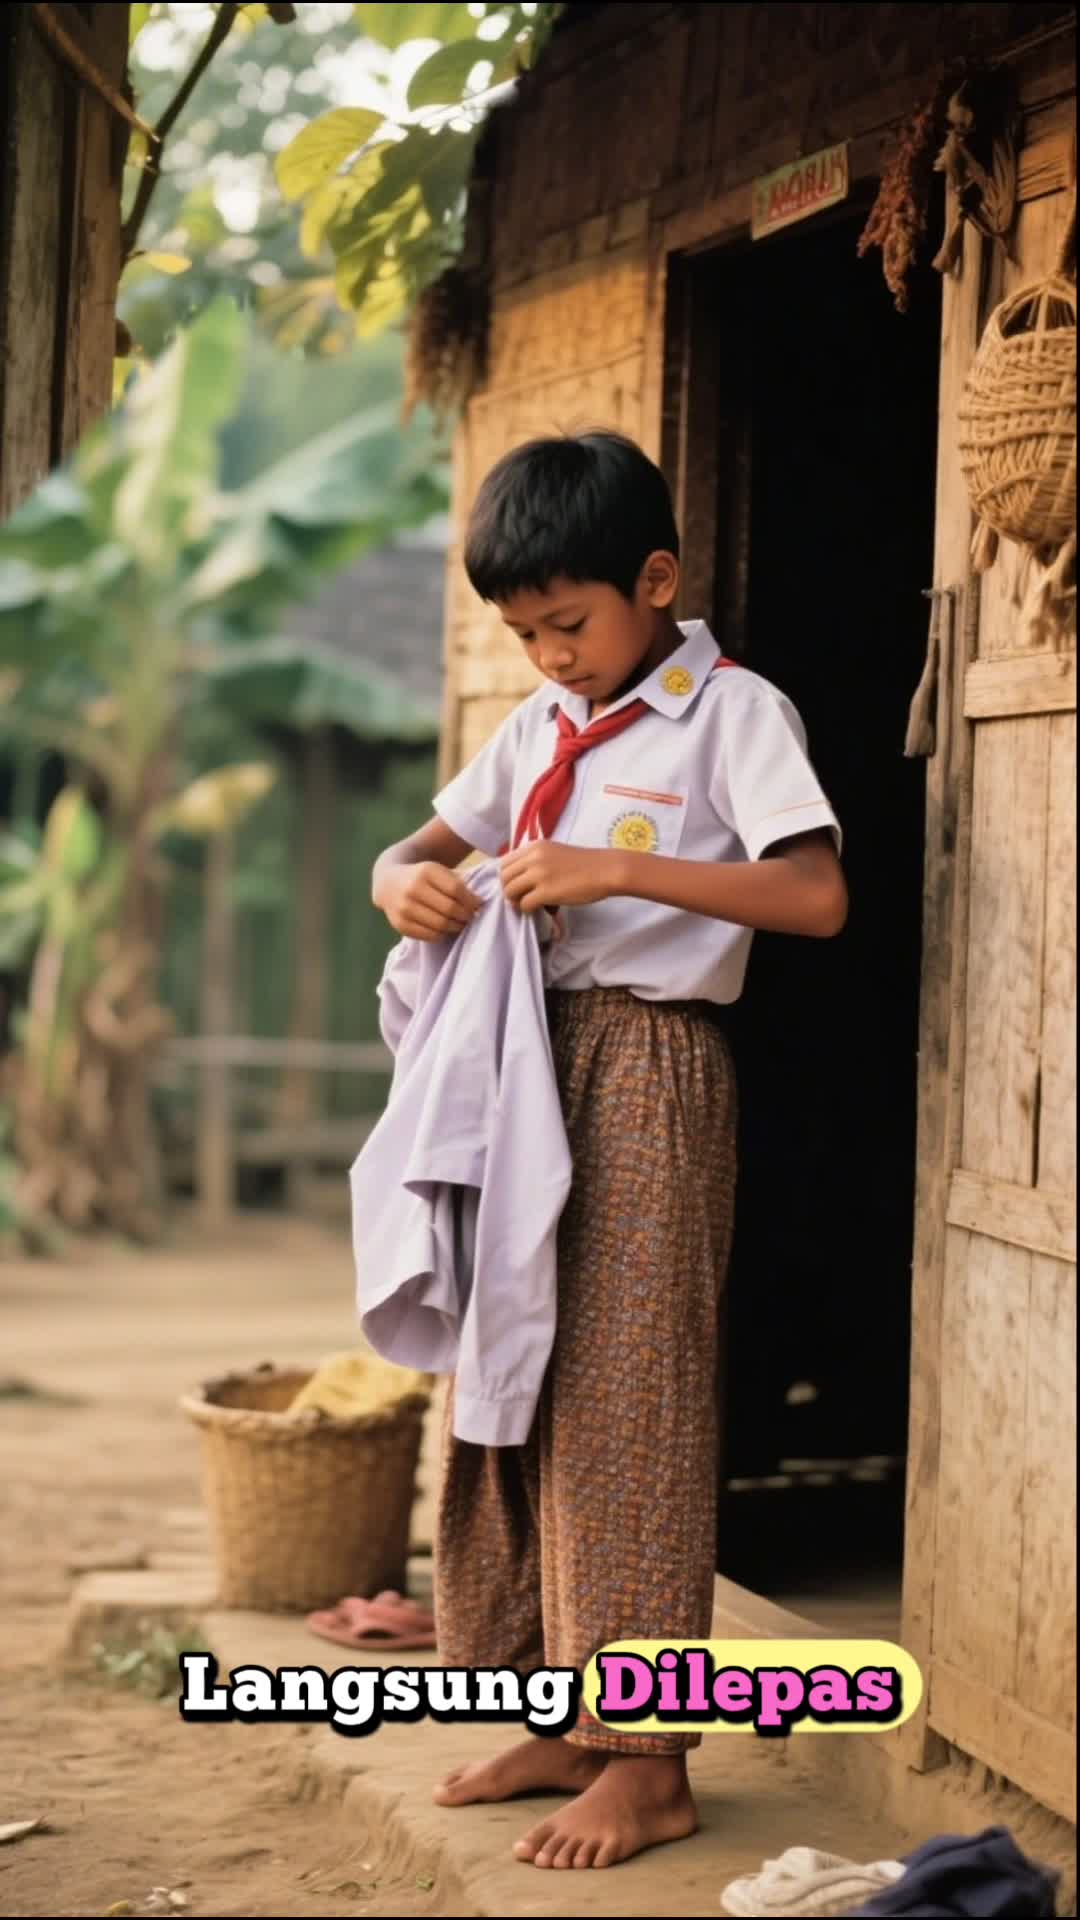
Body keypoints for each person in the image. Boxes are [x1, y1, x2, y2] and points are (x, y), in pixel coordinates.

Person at [371, 431, 847, 1872]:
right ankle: (557, 1714)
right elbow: (418, 849)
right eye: (524, 634)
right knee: (508, 1372)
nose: (550, 658)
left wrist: (618, 865)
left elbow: (816, 897)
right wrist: (400, 882)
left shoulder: (733, 714)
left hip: (648, 1065)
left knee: (631, 1396)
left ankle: (651, 1765)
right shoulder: (537, 727)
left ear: (655, 580)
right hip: (519, 1067)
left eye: (568, 624)